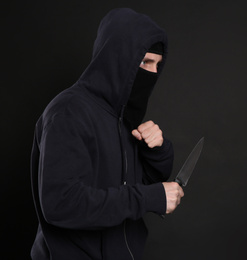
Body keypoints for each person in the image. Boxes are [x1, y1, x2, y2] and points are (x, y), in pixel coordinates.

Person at [30, 8, 184, 260]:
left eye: (157, 64)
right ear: (118, 57)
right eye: (146, 62)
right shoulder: (68, 111)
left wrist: (157, 151)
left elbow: (141, 185)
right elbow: (61, 204)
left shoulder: (124, 116)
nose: (154, 73)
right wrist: (148, 198)